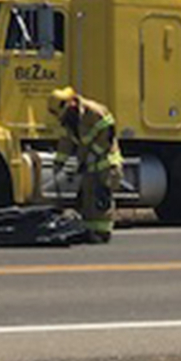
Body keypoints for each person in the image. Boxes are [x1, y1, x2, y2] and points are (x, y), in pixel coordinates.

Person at [48, 87, 123, 244]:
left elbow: (107, 133)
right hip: (89, 165)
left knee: (100, 199)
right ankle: (90, 231)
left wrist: (92, 154)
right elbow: (66, 143)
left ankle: (103, 233)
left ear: (70, 104)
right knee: (87, 198)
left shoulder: (93, 111)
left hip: (105, 162)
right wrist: (59, 164)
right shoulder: (70, 120)